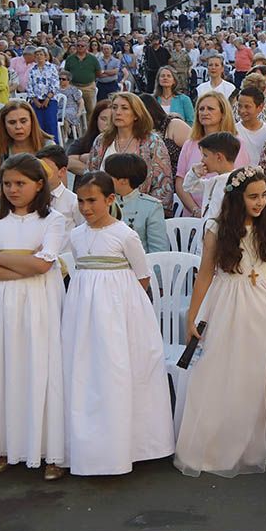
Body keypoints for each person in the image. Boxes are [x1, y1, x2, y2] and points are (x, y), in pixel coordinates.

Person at [174, 166, 266, 477]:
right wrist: (193, 314)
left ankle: (263, 439)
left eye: (263, 196)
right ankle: (220, 440)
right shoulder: (217, 228)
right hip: (226, 298)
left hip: (263, 300)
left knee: (259, 367)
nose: (259, 202)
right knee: (222, 365)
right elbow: (205, 274)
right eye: (252, 196)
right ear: (236, 198)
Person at [62, 172, 174, 476]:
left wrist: (124, 310)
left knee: (118, 369)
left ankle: (133, 444)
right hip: (83, 311)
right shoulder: (75, 235)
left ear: (110, 200)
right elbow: (81, 270)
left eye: (92, 201)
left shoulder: (125, 235)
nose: (85, 208)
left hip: (120, 311)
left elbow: (142, 275)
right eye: (81, 201)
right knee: (87, 371)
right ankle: (90, 446)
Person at [0, 154, 68, 481]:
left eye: (20, 183)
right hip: (0, 304)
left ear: (38, 184)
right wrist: (18, 267)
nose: (12, 190)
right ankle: (4, 447)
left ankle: (50, 450)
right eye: (7, 183)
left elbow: (43, 264)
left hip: (40, 303)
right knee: (2, 369)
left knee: (43, 368)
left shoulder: (52, 219)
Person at [176, 92, 251, 218]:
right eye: (201, 109)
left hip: (225, 215)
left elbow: (242, 180)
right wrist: (195, 210)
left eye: (210, 108)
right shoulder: (190, 143)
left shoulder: (236, 143)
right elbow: (180, 181)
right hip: (192, 216)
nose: (205, 112)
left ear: (222, 113)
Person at [0, 99, 48, 201]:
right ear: (4, 125)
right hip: (10, 205)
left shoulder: (47, 146)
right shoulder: (1, 145)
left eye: (23, 121)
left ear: (32, 121)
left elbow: (58, 184)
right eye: (12, 122)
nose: (18, 127)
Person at [104, 153, 169, 254]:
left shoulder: (151, 207)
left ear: (124, 180)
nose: (104, 178)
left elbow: (159, 250)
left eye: (108, 175)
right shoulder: (103, 202)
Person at [183, 131, 241, 222]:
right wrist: (194, 173)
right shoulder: (213, 182)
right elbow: (188, 186)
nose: (202, 160)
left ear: (218, 157)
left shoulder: (237, 184)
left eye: (205, 155)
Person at [63, 38, 101, 116]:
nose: (80, 47)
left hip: (88, 87)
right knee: (73, 109)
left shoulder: (92, 59)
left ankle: (90, 127)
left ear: (86, 47)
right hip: (74, 86)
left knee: (90, 110)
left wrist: (89, 78)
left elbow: (98, 72)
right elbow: (66, 73)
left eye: (82, 46)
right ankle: (76, 126)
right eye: (78, 45)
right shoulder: (70, 59)